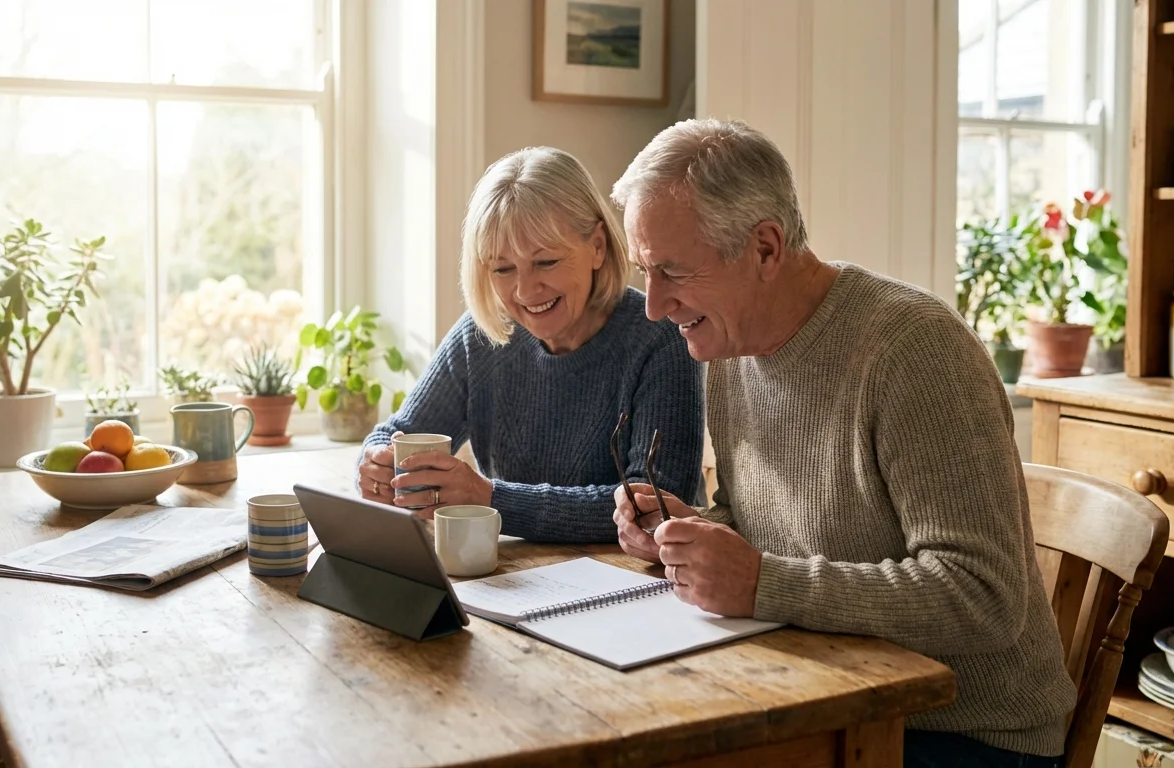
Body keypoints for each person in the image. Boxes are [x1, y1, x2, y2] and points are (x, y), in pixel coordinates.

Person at [607, 119, 1076, 767]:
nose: (654, 305)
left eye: (672, 272)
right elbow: (760, 524)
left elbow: (984, 597)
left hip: (961, 731)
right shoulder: (727, 345)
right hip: (827, 686)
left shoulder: (914, 351)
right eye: (644, 272)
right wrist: (692, 536)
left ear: (765, 249)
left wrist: (763, 583)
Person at [356, 146, 704, 542]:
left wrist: (490, 497)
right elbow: (400, 431)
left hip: (641, 582)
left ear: (597, 247)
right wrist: (376, 463)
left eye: (546, 262)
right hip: (516, 577)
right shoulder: (482, 335)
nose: (524, 290)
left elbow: (654, 505)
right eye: (503, 268)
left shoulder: (659, 338)